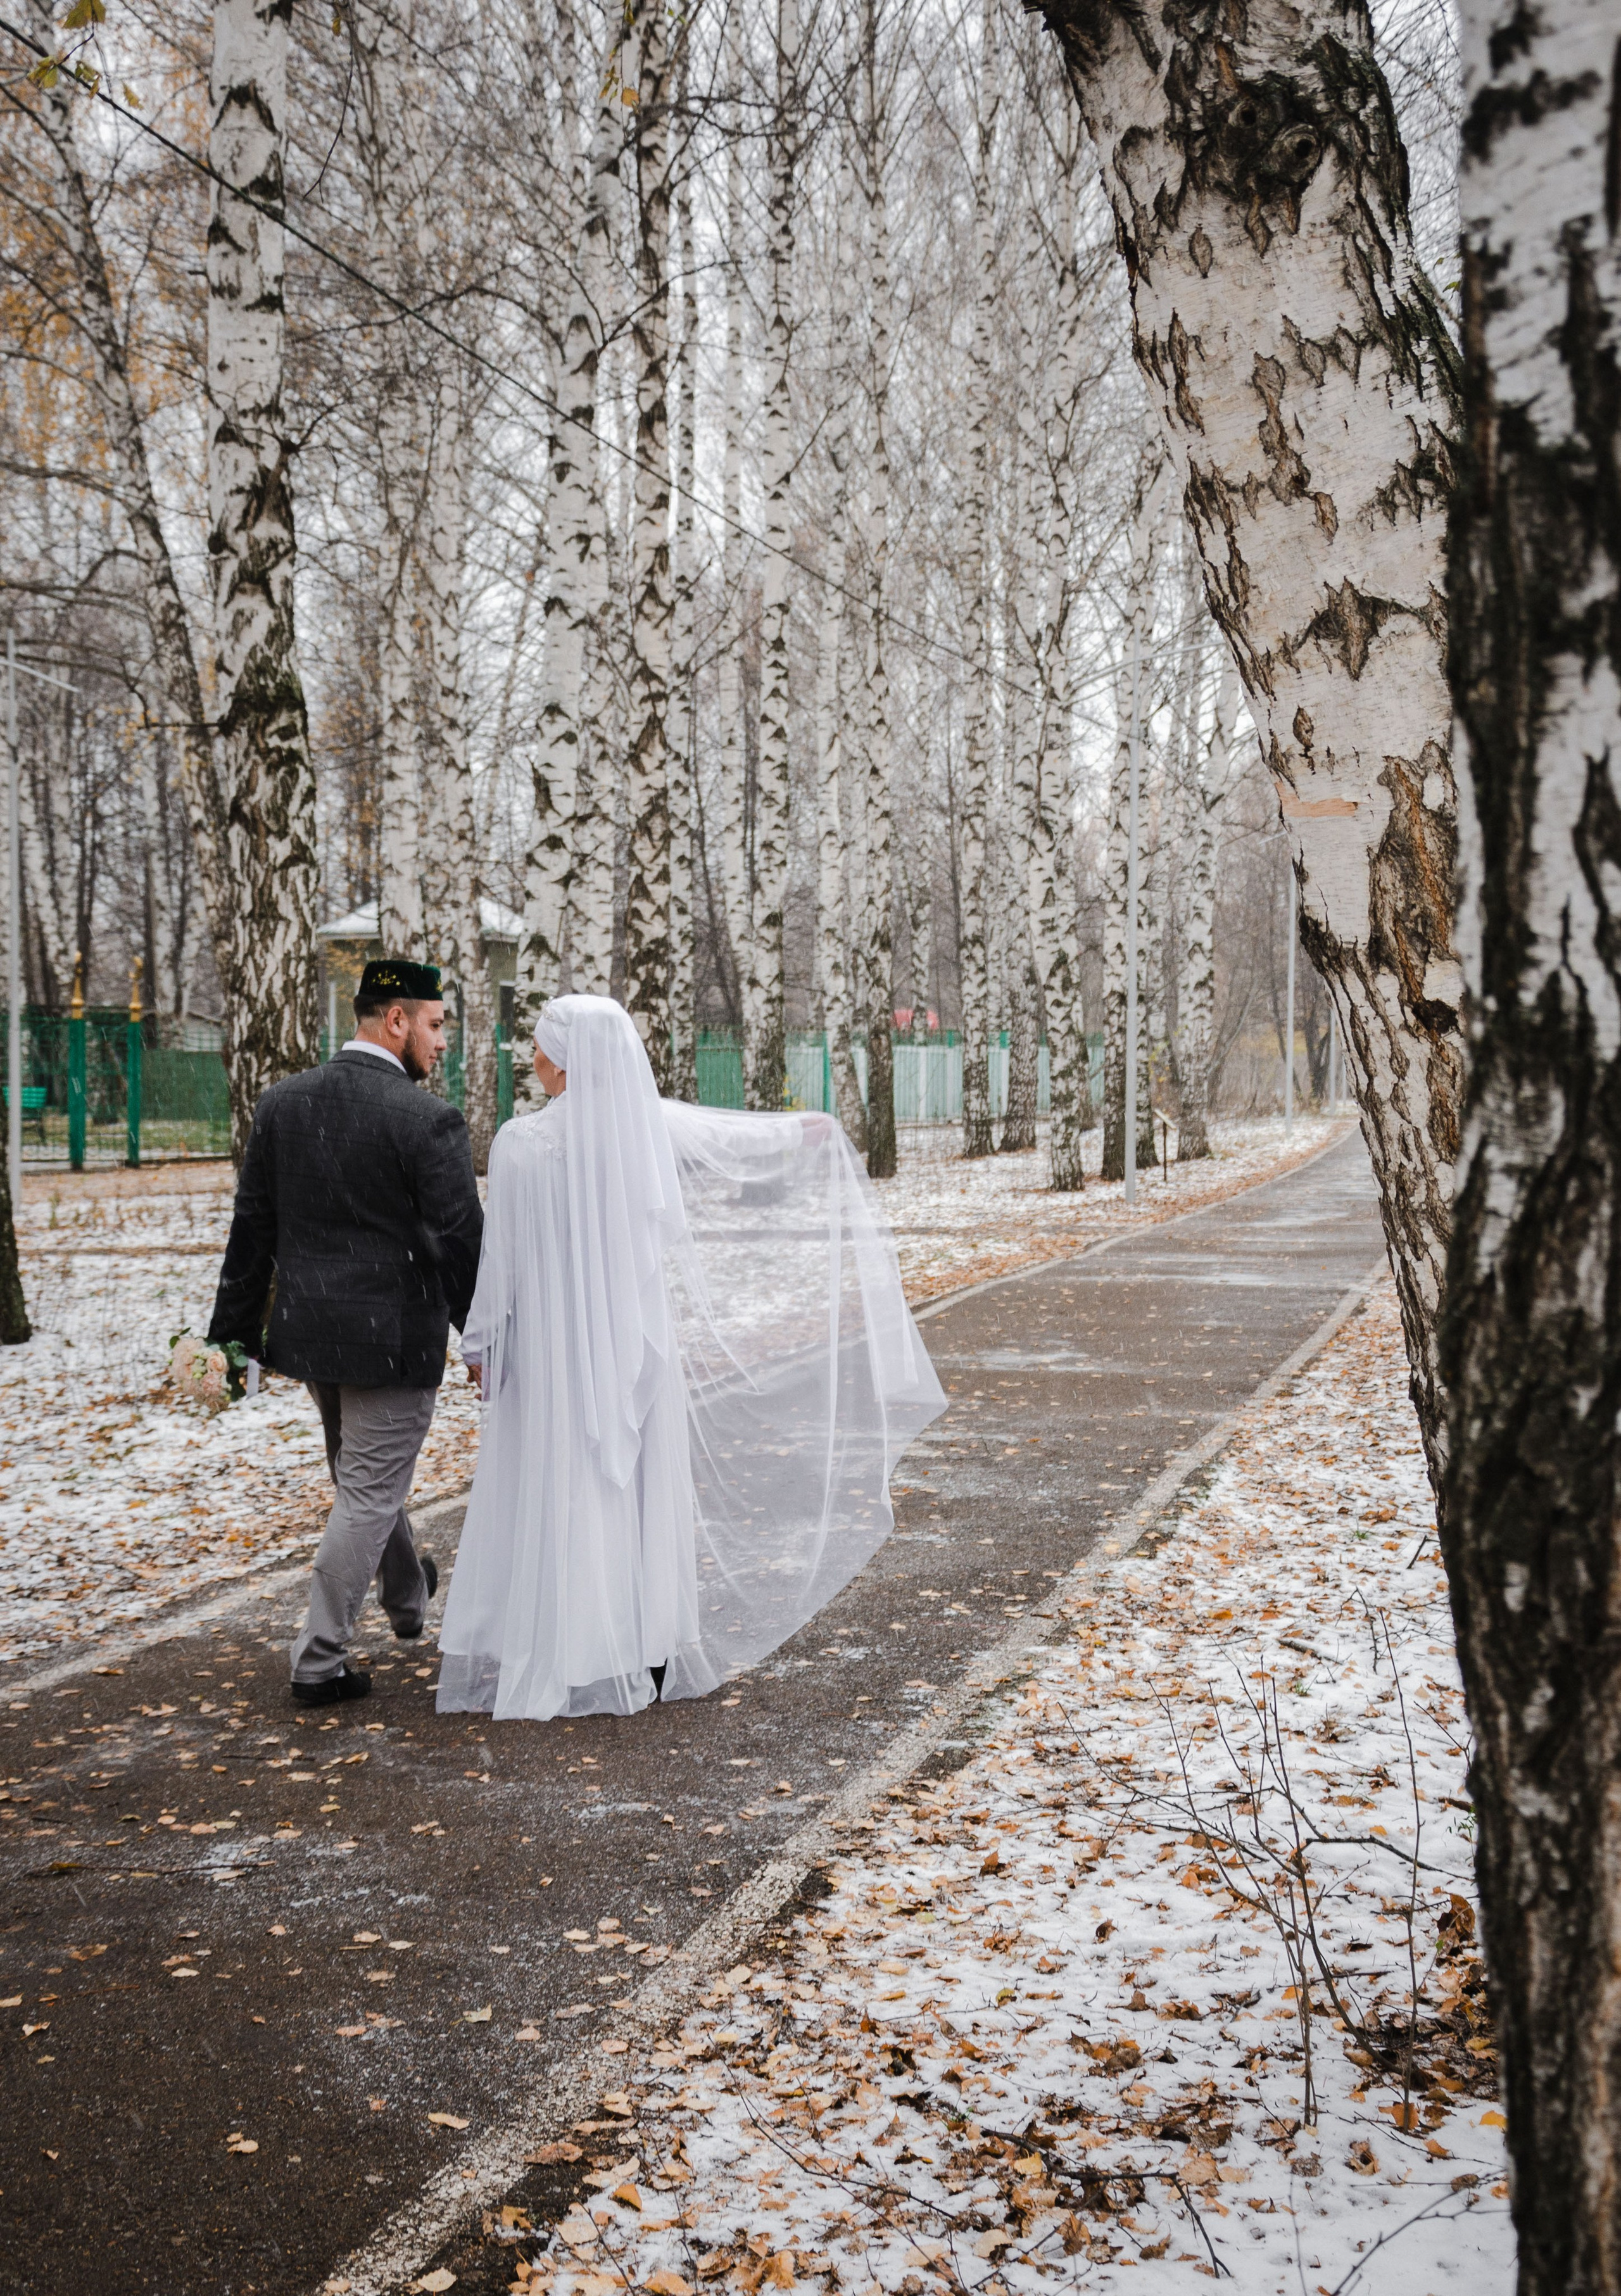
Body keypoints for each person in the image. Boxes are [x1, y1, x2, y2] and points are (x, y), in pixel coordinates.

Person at [437, 992, 946, 1722]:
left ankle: (567, 1637)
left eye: (544, 1046)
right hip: (633, 1342)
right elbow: (737, 1140)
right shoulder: (639, 1130)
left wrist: (483, 1341)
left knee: (563, 1476)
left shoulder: (522, 1143)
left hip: (554, 1349)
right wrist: (811, 1130)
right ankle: (642, 1635)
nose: (536, 1058)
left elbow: (502, 1261)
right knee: (634, 1483)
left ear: (566, 1059)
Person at [208, 959, 484, 1706]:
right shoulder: (428, 1120)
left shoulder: (282, 1102)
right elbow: (462, 1242)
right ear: (395, 1020)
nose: (441, 1042)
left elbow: (252, 1228)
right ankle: (318, 1660)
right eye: (435, 1023)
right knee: (366, 1492)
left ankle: (406, 1596)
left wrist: (230, 1336)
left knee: (364, 1480)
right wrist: (484, 1335)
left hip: (311, 1336)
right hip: (391, 1343)